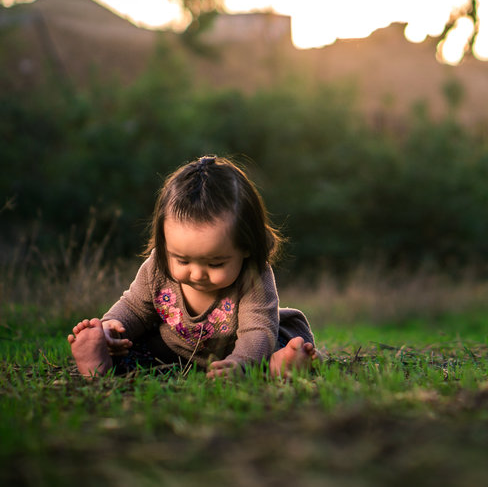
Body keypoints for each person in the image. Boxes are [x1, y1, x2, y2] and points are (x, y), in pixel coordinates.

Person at [68, 155, 318, 378]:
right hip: (172, 353)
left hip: (240, 352)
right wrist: (112, 327)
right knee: (132, 350)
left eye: (215, 263)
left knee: (268, 348)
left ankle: (279, 365)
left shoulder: (253, 276)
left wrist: (241, 363)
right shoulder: (157, 267)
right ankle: (98, 360)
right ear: (165, 244)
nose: (197, 273)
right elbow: (134, 308)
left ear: (247, 246)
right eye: (182, 260)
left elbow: (257, 331)